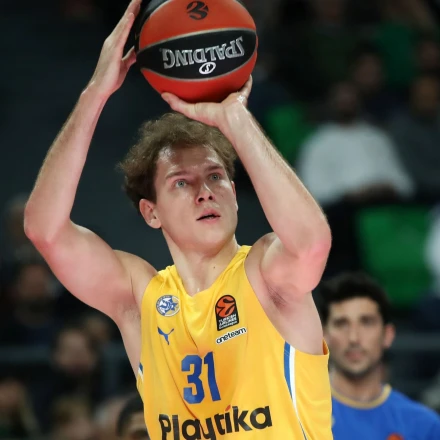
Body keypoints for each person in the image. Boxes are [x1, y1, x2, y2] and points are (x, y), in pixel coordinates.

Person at [24, 0, 333, 438]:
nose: (204, 190)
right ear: (150, 212)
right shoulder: (140, 299)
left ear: (235, 195)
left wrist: (236, 119)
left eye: (215, 176)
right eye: (181, 182)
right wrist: (95, 92)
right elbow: (46, 231)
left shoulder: (265, 275)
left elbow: (311, 243)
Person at [318, 271, 440, 439]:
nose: (353, 338)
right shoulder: (298, 416)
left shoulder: (424, 426)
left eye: (366, 322)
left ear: (388, 335)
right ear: (324, 335)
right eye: (341, 324)